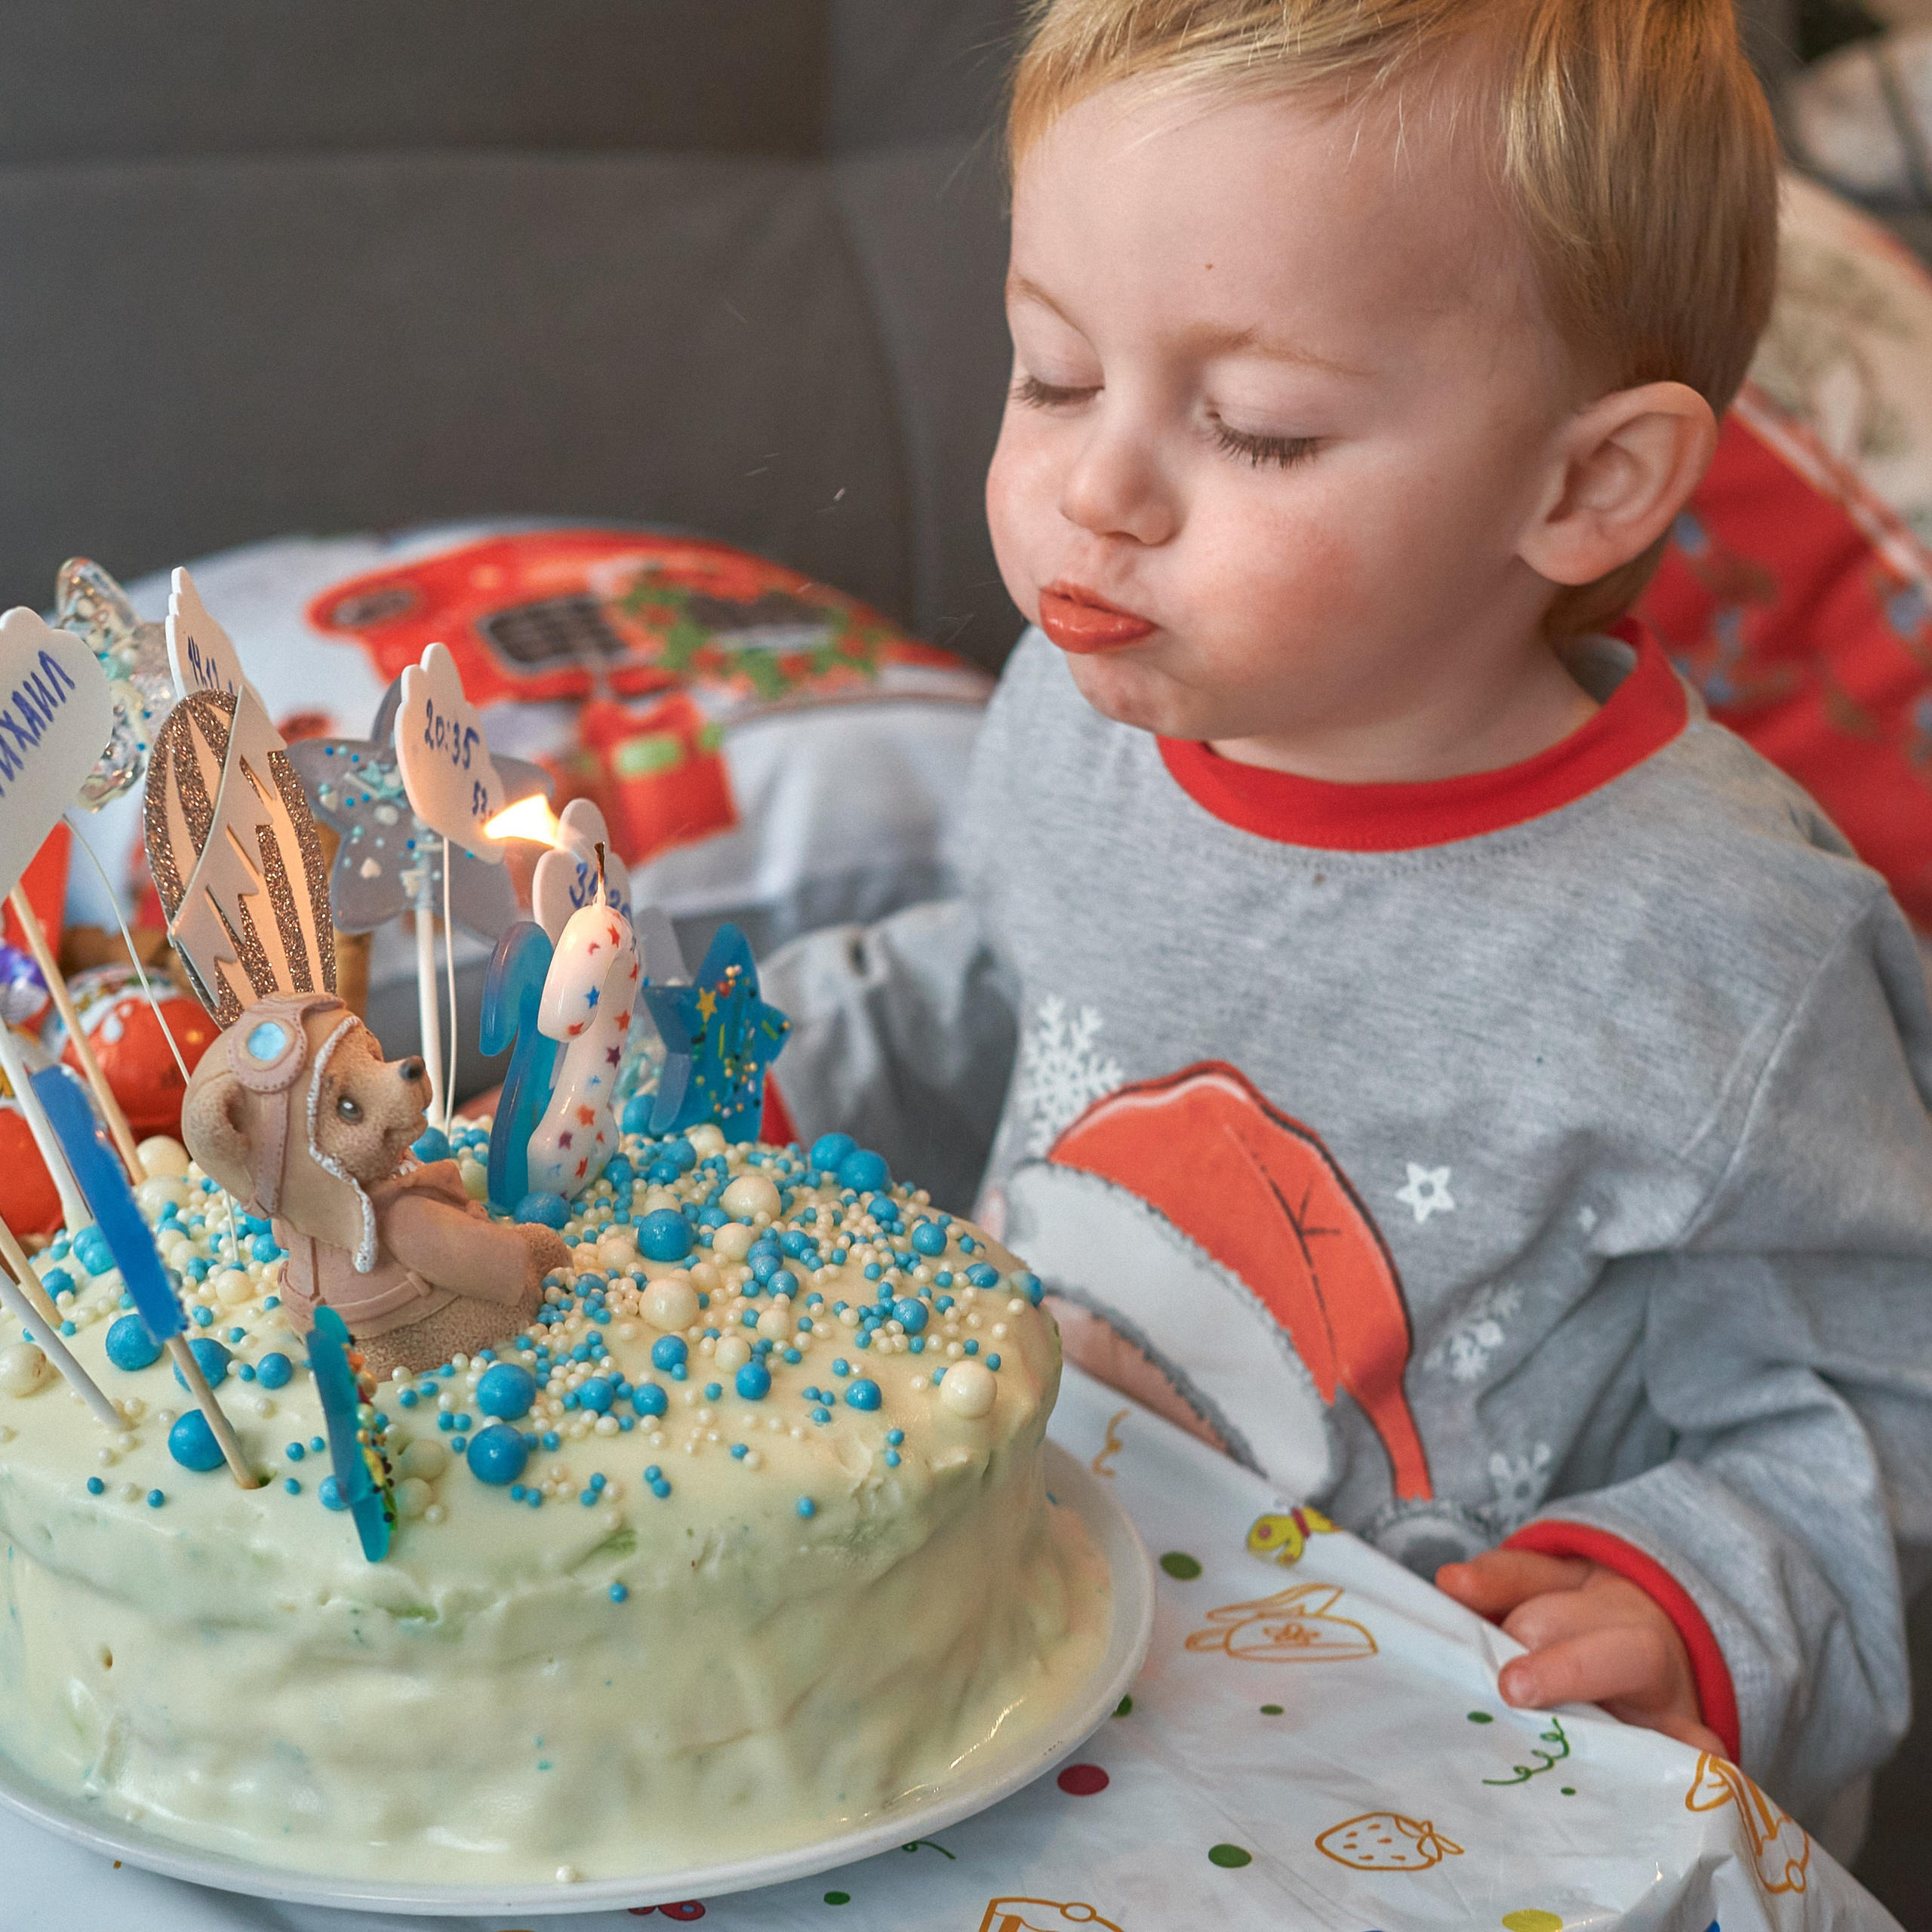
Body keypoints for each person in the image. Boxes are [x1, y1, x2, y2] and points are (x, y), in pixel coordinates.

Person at [764, 0, 1932, 1832]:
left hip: (1439, 1793)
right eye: (1050, 372)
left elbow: (1875, 1405)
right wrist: (727, 1065)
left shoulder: (1729, 948)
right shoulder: (1079, 708)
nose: (1097, 488)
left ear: (1582, 485)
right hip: (1019, 1662)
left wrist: (1688, 1598)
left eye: (1255, 427)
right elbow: (995, 994)